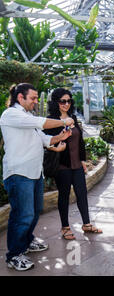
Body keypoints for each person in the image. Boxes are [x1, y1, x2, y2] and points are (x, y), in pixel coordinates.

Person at [0, 83, 74, 271]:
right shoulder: (11, 115)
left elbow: (44, 139)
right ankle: (14, 255)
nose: (35, 101)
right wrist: (64, 121)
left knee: (34, 211)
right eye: (32, 98)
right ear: (20, 98)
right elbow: (41, 123)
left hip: (34, 173)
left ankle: (26, 241)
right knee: (22, 214)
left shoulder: (28, 117)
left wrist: (60, 138)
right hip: (19, 173)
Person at [44, 88, 102, 241]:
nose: (66, 104)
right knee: (64, 196)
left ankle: (87, 224)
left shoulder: (73, 118)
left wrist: (83, 160)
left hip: (77, 165)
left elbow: (80, 141)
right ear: (56, 102)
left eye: (69, 101)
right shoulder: (52, 120)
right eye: (63, 101)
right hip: (62, 166)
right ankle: (65, 227)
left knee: (82, 194)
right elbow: (46, 142)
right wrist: (58, 142)